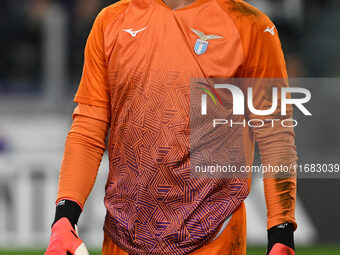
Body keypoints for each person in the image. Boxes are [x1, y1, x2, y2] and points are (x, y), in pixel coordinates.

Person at [45, 0, 297, 254]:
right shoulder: (112, 21)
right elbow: (88, 128)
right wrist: (65, 218)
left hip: (213, 235)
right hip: (123, 236)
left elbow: (275, 134)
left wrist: (281, 232)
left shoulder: (250, 26)